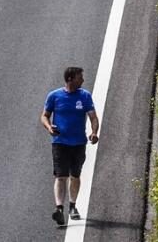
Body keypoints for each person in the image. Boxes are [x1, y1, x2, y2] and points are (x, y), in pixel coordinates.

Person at [40, 67, 99, 227]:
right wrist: (49, 127)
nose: (83, 80)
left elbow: (93, 117)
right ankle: (59, 209)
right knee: (60, 176)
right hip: (60, 143)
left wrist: (94, 132)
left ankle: (72, 206)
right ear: (70, 79)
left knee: (75, 175)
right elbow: (44, 115)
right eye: (80, 77)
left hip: (79, 143)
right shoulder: (54, 96)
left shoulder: (85, 96)